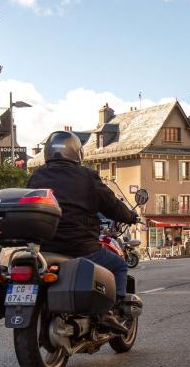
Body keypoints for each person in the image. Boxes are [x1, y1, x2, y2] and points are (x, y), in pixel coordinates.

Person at [27, 130, 141, 333]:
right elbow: (111, 204)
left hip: (45, 247)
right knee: (118, 265)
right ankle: (112, 312)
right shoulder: (86, 176)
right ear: (76, 152)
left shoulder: (36, 176)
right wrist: (130, 216)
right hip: (79, 245)